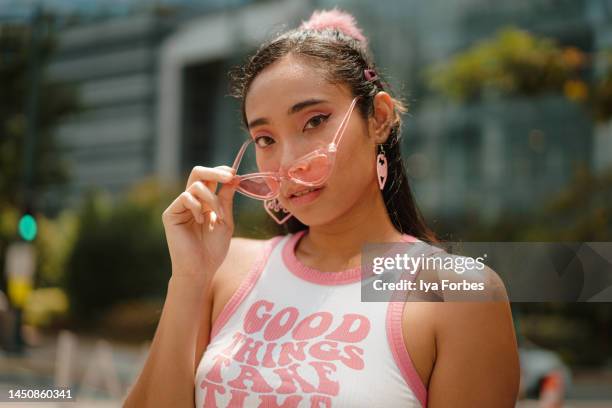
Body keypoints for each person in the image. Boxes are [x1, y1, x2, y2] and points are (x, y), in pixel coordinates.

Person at [124, 8, 520, 408]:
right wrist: (189, 279)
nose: (287, 161)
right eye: (265, 139)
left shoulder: (455, 292)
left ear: (379, 118)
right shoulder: (225, 267)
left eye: (315, 121)